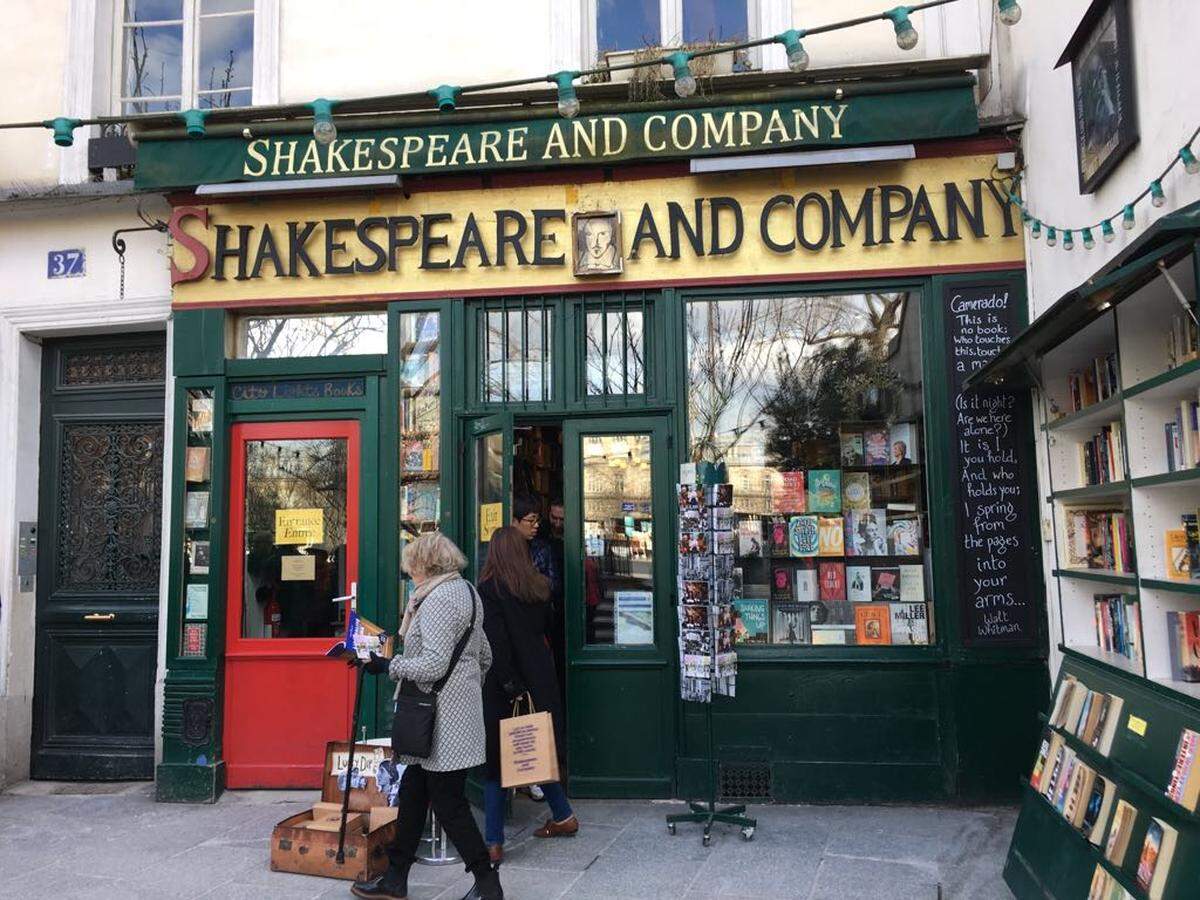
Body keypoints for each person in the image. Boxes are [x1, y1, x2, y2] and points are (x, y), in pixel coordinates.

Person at [350, 532, 503, 900]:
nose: (409, 575)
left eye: (411, 568)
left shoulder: (436, 602)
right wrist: (464, 691)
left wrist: (389, 665)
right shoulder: (467, 592)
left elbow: (433, 664)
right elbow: (485, 657)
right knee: (414, 793)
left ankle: (488, 883)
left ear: (424, 566)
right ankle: (395, 879)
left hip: (438, 723)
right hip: (450, 717)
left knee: (449, 805)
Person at [478, 526, 578, 864]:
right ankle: (563, 815)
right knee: (534, 748)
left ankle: (493, 841)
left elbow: (496, 643)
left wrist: (508, 684)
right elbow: (542, 632)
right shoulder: (538, 586)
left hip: (505, 684)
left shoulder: (490, 589)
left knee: (497, 760)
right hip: (540, 676)